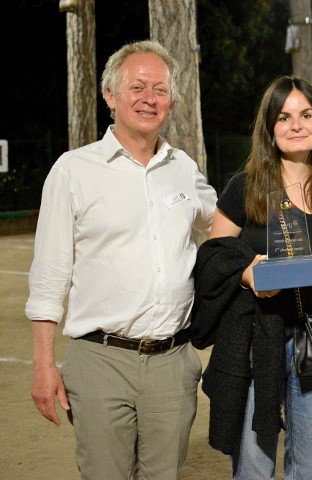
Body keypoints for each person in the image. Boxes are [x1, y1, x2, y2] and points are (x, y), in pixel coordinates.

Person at [26, 40, 216, 479]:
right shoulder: (73, 170)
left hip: (174, 362)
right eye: (137, 87)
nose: (150, 99)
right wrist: (42, 366)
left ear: (171, 101)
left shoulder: (183, 167)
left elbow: (224, 222)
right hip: (100, 361)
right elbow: (50, 276)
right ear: (110, 96)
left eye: (161, 90)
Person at [191, 75, 312, 480]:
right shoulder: (243, 187)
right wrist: (247, 273)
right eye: (284, 117)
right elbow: (212, 261)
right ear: (270, 129)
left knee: (310, 468)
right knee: (253, 468)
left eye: (306, 114)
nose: (296, 125)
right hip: (258, 335)